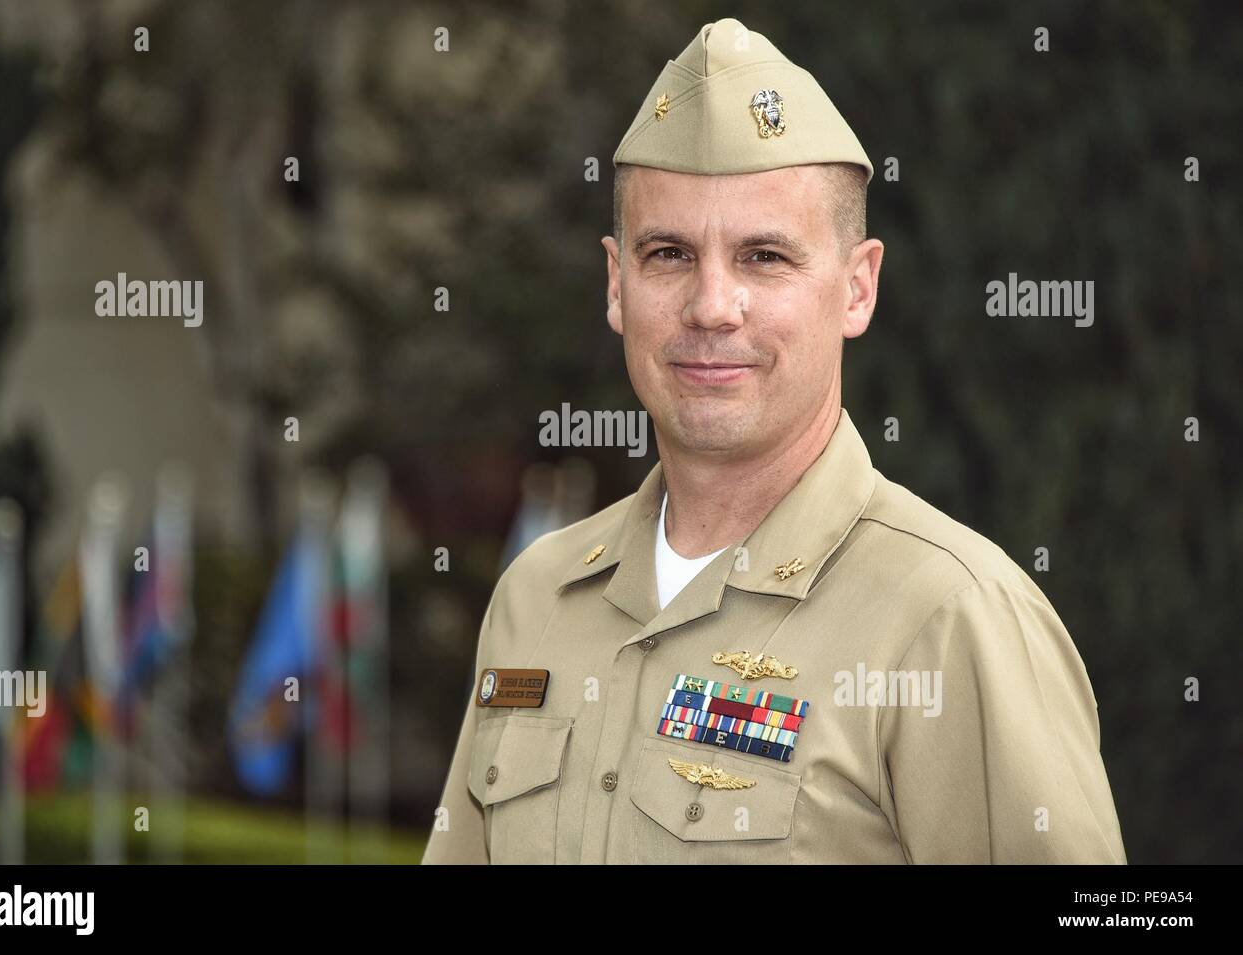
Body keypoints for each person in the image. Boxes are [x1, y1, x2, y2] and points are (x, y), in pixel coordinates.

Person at [422, 16, 1126, 864]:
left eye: (764, 257)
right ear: (617, 284)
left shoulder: (951, 617)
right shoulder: (536, 598)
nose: (713, 305)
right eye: (670, 252)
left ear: (858, 287)